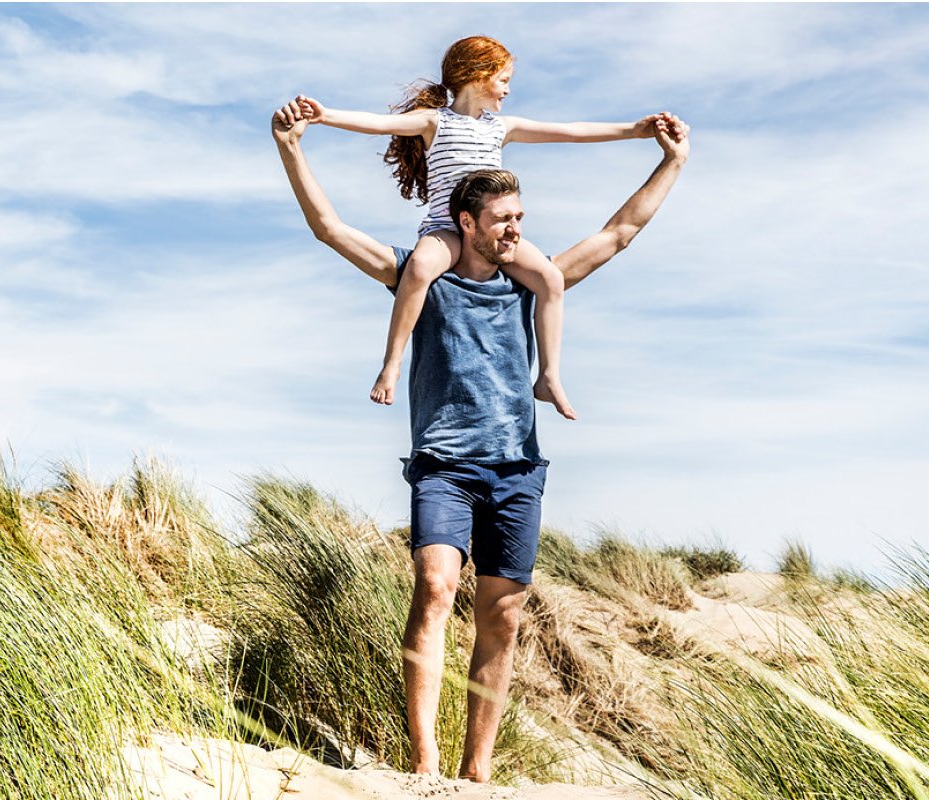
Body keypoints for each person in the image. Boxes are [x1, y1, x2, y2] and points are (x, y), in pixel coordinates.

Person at [271, 99, 689, 783]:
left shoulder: (529, 284)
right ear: (466, 223)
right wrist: (293, 147)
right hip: (444, 465)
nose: (516, 232)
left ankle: (478, 770)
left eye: (520, 220)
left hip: (517, 471)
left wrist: (670, 161)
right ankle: (424, 760)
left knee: (504, 616)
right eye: (504, 221)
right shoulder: (421, 276)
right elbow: (328, 228)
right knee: (435, 588)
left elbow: (619, 233)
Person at [291, 34, 674, 421]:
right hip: (445, 228)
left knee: (551, 280)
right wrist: (324, 115)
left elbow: (570, 131)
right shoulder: (434, 121)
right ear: (477, 75)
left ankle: (549, 376)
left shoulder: (501, 127)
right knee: (420, 269)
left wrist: (634, 130)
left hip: (490, 233)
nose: (508, 89)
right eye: (503, 79)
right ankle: (391, 364)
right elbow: (378, 124)